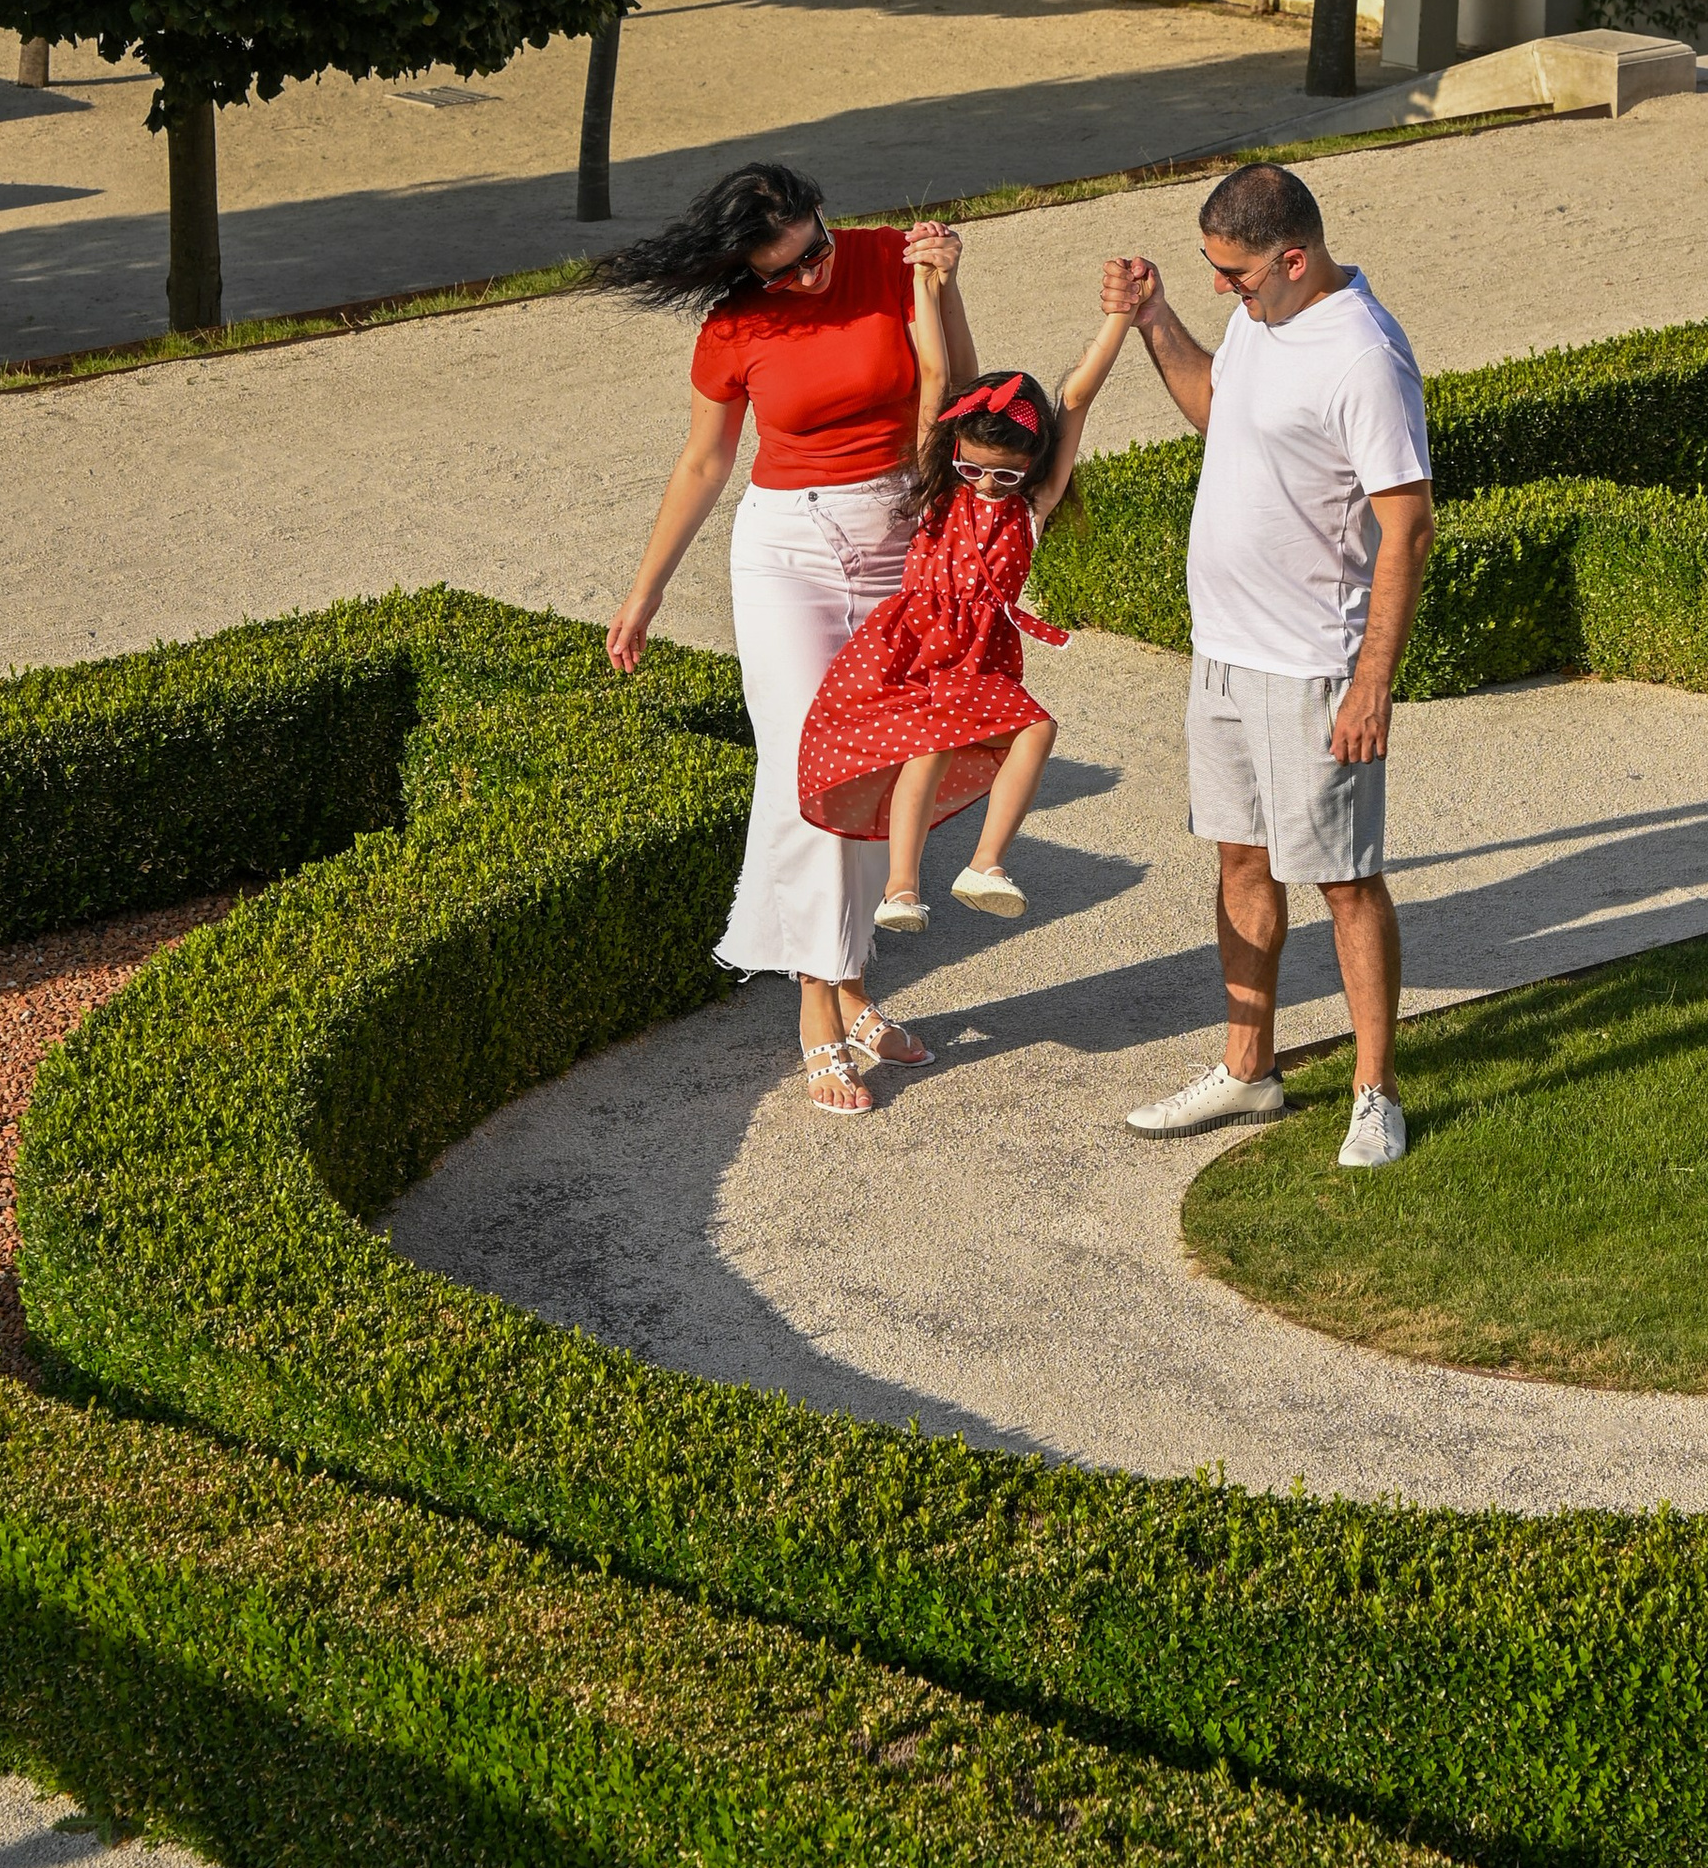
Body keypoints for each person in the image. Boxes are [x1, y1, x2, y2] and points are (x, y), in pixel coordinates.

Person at [600, 161, 977, 1119]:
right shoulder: (734, 327)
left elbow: (960, 394)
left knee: (876, 770)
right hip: (787, 551)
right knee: (810, 764)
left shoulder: (892, 258)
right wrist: (645, 593)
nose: (812, 272)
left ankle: (852, 987)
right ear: (747, 268)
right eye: (785, 268)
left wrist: (945, 285)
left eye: (817, 248)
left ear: (823, 216)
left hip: (896, 540)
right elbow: (705, 461)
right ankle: (818, 1004)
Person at [1101, 162, 1435, 1171]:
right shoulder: (1261, 316)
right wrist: (1156, 321)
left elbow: (1409, 525)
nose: (1223, 286)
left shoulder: (1363, 355)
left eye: (1235, 272)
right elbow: (1220, 405)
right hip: (1223, 655)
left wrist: (1371, 680)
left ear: (1293, 258)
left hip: (1313, 668)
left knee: (1344, 880)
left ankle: (1375, 1093)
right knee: (1239, 862)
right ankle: (1249, 1068)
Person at [797, 261, 1137, 930]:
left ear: (1033, 468)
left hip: (979, 655)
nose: (983, 482)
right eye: (972, 466)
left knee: (1031, 731)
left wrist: (1119, 318)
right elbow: (934, 375)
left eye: (1004, 474)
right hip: (913, 643)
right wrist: (923, 283)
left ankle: (984, 865)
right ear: (954, 449)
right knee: (931, 747)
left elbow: (1075, 400)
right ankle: (902, 887)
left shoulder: (1031, 507)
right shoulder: (938, 488)